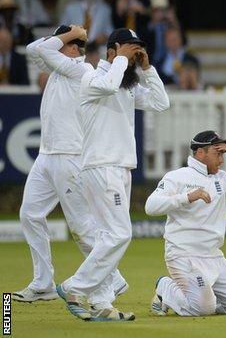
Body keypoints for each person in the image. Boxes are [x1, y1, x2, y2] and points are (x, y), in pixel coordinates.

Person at [56, 28, 170, 321]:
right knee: (121, 233)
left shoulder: (127, 84)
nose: (133, 58)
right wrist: (121, 58)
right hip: (102, 166)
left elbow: (161, 103)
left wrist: (146, 69)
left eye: (137, 53)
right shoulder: (91, 77)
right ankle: (74, 286)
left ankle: (102, 302)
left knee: (108, 235)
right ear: (113, 50)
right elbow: (107, 84)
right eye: (131, 51)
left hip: (120, 167)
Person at [13, 25, 128, 306]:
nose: (55, 44)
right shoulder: (58, 68)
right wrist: (67, 35)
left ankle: (112, 277)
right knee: (29, 215)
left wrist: (71, 35)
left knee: (82, 227)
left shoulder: (82, 70)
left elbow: (40, 49)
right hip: (47, 154)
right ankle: (43, 283)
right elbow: (32, 50)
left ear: (73, 47)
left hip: (71, 156)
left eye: (61, 40)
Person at [146, 130, 226, 317]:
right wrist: (187, 197)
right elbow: (151, 206)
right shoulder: (178, 176)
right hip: (184, 255)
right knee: (202, 309)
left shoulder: (220, 179)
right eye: (218, 153)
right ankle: (165, 287)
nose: (221, 160)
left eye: (223, 154)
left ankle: (204, 295)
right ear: (200, 152)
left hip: (214, 256)